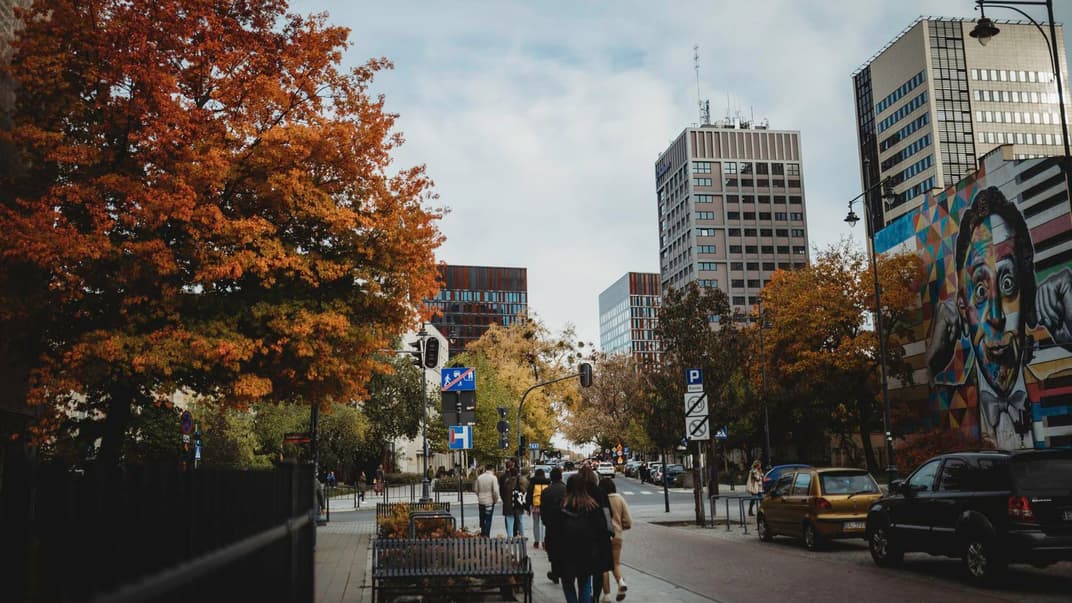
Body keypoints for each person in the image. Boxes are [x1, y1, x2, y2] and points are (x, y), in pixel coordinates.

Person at [927, 186, 1072, 449]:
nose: (995, 317)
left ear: (1028, 294)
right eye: (980, 291)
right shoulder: (952, 403)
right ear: (962, 307)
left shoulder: (1057, 386)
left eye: (1008, 284)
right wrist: (933, 362)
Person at [555, 473, 609, 603]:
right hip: (587, 553)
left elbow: (553, 532)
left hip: (566, 553)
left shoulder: (561, 505)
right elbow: (601, 531)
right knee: (585, 584)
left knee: (568, 584)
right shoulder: (593, 507)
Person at [599, 478, 631, 602]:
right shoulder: (619, 499)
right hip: (618, 535)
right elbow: (628, 521)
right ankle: (621, 582)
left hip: (604, 536)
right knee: (616, 563)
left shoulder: (601, 499)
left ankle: (606, 595)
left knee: (604, 566)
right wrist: (620, 527)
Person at [541, 466, 567, 584]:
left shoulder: (546, 491)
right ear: (561, 477)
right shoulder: (566, 490)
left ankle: (555, 571)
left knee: (552, 549)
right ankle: (564, 570)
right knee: (564, 548)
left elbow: (543, 510)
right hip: (565, 525)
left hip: (551, 525)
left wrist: (546, 522)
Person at [502, 464, 528, 537]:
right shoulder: (521, 480)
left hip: (508, 504)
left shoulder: (507, 481)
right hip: (518, 503)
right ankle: (522, 536)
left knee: (510, 521)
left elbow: (503, 492)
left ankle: (510, 537)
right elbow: (524, 490)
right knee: (520, 521)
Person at [474, 464, 500, 537]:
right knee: (488, 518)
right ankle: (486, 535)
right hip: (489, 501)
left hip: (481, 501)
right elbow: (495, 491)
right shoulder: (493, 478)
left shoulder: (480, 477)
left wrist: (479, 496)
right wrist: (495, 499)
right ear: (492, 469)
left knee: (482, 517)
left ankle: (482, 532)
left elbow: (476, 489)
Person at [527, 468, 550, 549]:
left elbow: (529, 494)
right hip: (544, 505)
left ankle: (536, 541)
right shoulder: (547, 481)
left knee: (535, 523)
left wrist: (527, 506)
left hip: (535, 505)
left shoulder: (533, 481)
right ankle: (544, 542)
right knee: (543, 524)